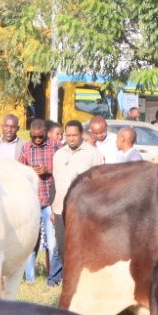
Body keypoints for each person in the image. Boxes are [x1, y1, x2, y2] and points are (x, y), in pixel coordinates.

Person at [51, 121, 103, 286]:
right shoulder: (59, 154)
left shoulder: (93, 154)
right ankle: (69, 282)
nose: (71, 139)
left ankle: (84, 284)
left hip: (84, 211)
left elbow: (100, 183)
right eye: (68, 135)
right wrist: (53, 208)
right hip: (60, 209)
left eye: (74, 135)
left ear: (81, 134)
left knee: (82, 247)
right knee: (62, 248)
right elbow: (55, 181)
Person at [19, 118, 62, 285]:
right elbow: (20, 171)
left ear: (45, 131)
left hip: (50, 201)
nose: (37, 140)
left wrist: (47, 170)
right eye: (34, 136)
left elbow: (63, 170)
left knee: (52, 243)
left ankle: (52, 279)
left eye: (40, 136)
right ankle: (30, 279)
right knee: (30, 243)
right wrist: (31, 171)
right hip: (32, 202)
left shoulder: (56, 146)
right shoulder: (26, 148)